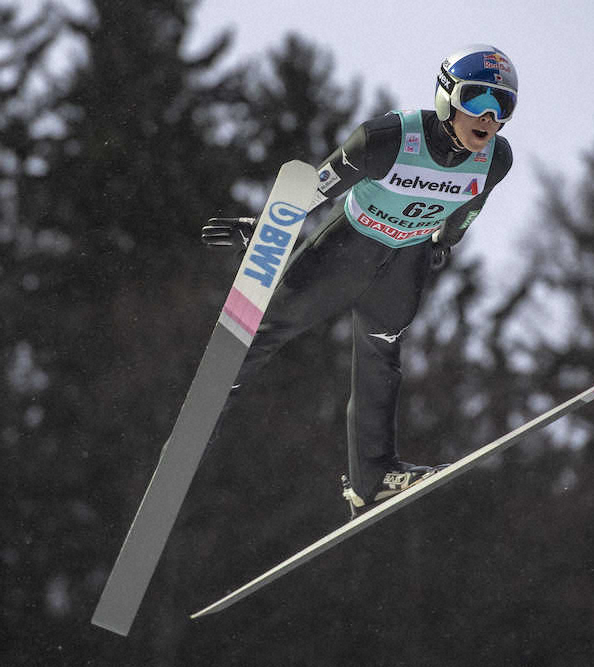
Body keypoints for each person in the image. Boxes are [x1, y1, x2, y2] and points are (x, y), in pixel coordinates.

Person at [202, 44, 516, 518]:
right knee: (272, 330)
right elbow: (319, 185)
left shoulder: (495, 159)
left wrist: (443, 243)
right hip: (349, 248)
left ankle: (372, 478)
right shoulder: (387, 139)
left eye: (502, 106)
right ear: (446, 95)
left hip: (403, 262)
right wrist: (265, 224)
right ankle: (208, 407)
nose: (488, 117)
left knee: (381, 357)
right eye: (477, 99)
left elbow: (471, 205)